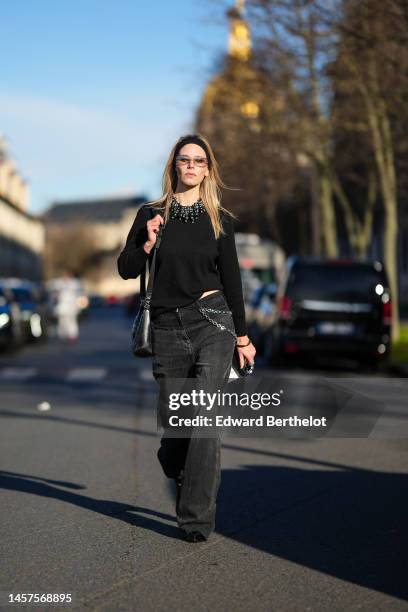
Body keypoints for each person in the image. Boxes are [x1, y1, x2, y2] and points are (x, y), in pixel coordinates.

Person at [117, 133, 256, 543]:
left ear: (207, 169)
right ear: (174, 166)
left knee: (206, 422)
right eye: (184, 160)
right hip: (167, 327)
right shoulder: (151, 212)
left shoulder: (220, 220)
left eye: (199, 160)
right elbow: (126, 269)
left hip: (213, 322)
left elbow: (233, 282)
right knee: (178, 428)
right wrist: (146, 241)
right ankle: (173, 456)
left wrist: (243, 337)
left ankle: (196, 519)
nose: (191, 166)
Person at [54, 272, 80, 344]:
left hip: (72, 308)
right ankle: (62, 336)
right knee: (62, 323)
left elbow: (78, 296)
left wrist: (77, 307)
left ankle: (72, 336)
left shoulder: (74, 285)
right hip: (62, 309)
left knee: (72, 323)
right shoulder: (58, 285)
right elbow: (55, 297)